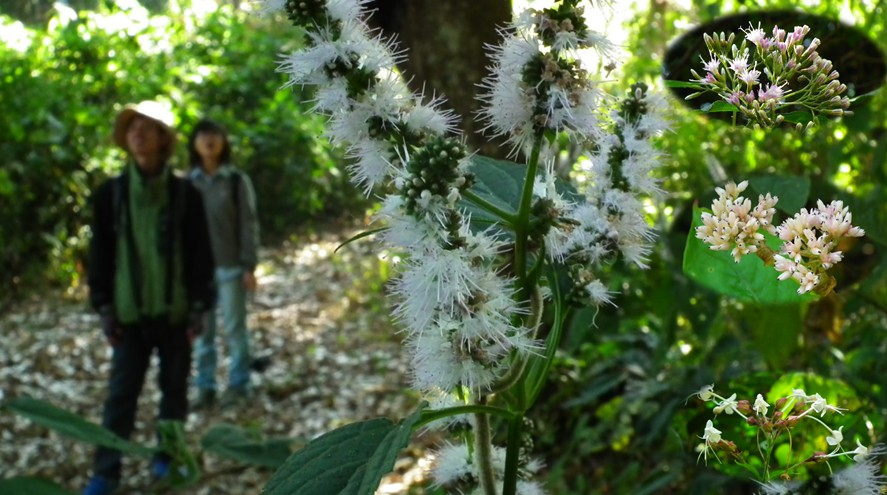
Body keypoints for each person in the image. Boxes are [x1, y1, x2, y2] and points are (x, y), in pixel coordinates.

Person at [83, 101, 216, 495]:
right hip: (129, 316)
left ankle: (168, 458)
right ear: (125, 140)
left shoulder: (185, 193)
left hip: (175, 315)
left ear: (163, 139)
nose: (138, 133)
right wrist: (104, 307)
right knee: (121, 396)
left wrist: (198, 306)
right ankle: (106, 472)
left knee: (174, 393)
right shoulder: (111, 195)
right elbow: (100, 255)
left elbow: (200, 252)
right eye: (131, 128)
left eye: (147, 127)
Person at [186, 119, 260, 409]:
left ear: (223, 141)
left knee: (235, 329)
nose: (208, 139)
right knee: (203, 332)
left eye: (214, 133)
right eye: (202, 134)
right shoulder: (187, 183)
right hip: (198, 273)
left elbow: (248, 224)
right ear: (193, 143)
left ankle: (239, 384)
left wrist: (249, 265)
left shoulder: (235, 180)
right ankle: (205, 387)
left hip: (231, 267)